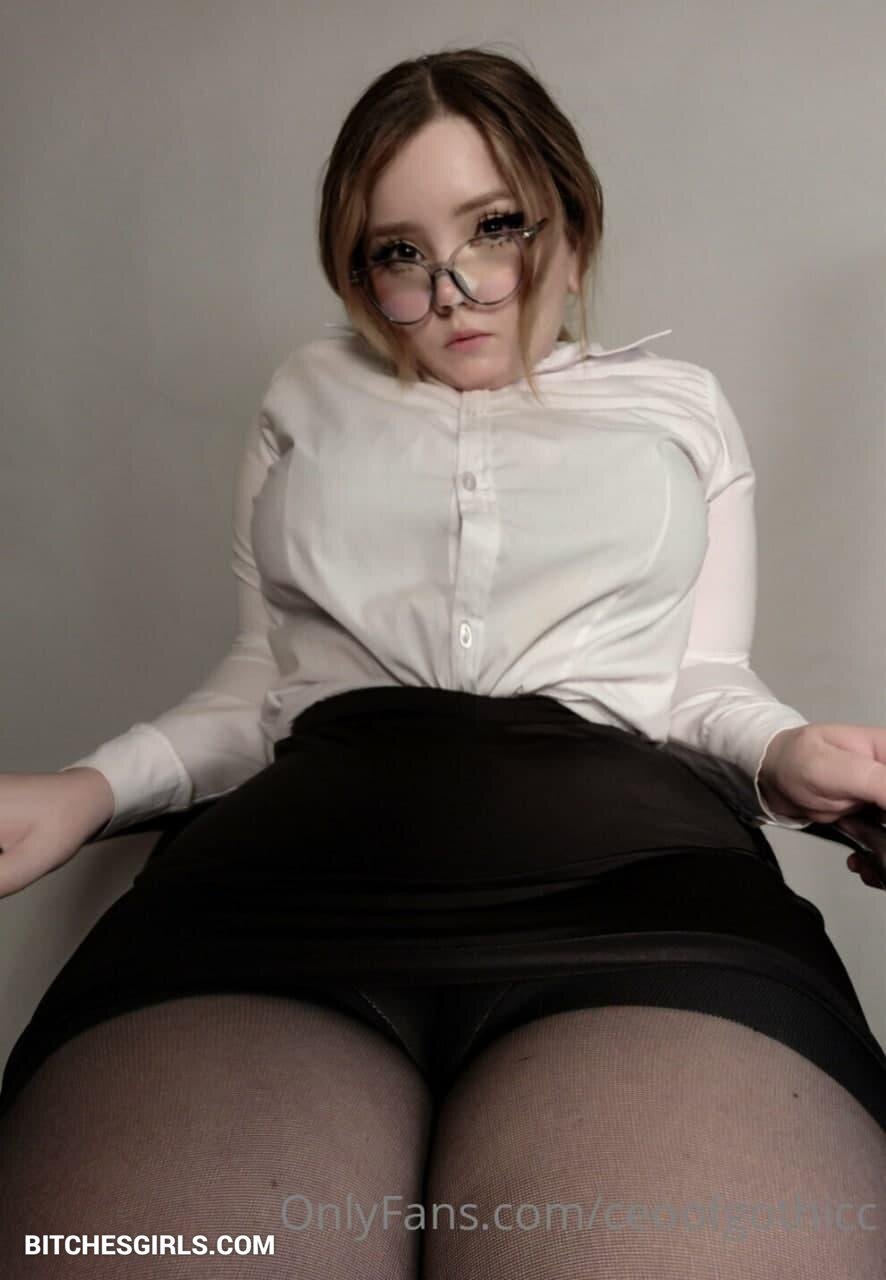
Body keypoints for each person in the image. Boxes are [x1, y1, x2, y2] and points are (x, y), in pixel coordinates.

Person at [0, 45, 884, 1280]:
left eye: (493, 228)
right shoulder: (308, 394)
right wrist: (88, 790)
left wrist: (787, 751)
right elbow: (265, 686)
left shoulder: (678, 404)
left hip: (643, 897)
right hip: (270, 900)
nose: (453, 290)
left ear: (569, 220)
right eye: (398, 252)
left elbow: (696, 681)